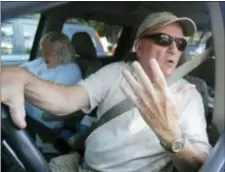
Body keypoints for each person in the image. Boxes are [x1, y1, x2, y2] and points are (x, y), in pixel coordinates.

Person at [2, 12, 212, 172]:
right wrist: (24, 79)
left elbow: (200, 165)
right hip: (81, 164)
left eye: (181, 43)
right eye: (164, 40)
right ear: (138, 46)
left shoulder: (188, 94)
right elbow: (67, 99)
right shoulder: (115, 72)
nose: (174, 49)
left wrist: (171, 136)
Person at [21, 32, 82, 129]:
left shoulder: (70, 70)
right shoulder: (41, 62)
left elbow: (53, 98)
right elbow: (19, 72)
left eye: (49, 50)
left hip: (41, 122)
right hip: (23, 113)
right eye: (42, 48)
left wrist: (25, 85)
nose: (43, 52)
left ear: (62, 52)